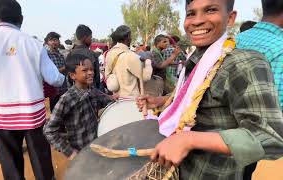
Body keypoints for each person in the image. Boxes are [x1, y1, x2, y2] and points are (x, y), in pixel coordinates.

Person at [136, 0, 283, 179]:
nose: (197, 21)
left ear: (230, 18)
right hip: (182, 171)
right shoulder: (199, 57)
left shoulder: (245, 62)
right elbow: (196, 98)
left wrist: (188, 139)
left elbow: (271, 138)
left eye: (210, 10)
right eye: (191, 13)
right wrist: (161, 101)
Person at [0, 0, 65, 179]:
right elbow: (54, 79)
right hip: (33, 114)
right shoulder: (34, 44)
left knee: (10, 161)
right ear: (21, 19)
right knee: (41, 159)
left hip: (2, 115)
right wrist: (63, 77)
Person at [236, 0, 283, 179]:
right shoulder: (280, 47)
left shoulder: (236, 39)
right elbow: (274, 113)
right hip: (246, 143)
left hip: (213, 138)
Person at [44, 54, 115, 159]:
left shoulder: (92, 90)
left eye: (91, 69)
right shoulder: (66, 99)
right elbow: (49, 130)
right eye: (85, 70)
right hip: (81, 152)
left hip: (97, 144)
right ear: (73, 75)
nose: (91, 72)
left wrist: (113, 98)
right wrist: (70, 152)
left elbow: (103, 101)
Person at [105, 25, 152, 97]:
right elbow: (145, 77)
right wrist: (148, 61)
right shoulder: (130, 55)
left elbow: (107, 75)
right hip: (130, 100)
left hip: (116, 99)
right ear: (128, 37)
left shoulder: (109, 53)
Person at [69, 24, 101, 90]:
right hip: (91, 91)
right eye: (90, 37)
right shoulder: (92, 54)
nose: (91, 40)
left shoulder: (70, 54)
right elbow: (97, 77)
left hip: (76, 91)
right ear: (85, 37)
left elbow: (69, 78)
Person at [45, 32, 68, 112]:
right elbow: (49, 73)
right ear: (47, 42)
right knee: (53, 113)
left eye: (56, 40)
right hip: (52, 91)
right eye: (51, 40)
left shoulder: (62, 55)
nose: (54, 42)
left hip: (63, 89)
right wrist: (64, 68)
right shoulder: (46, 55)